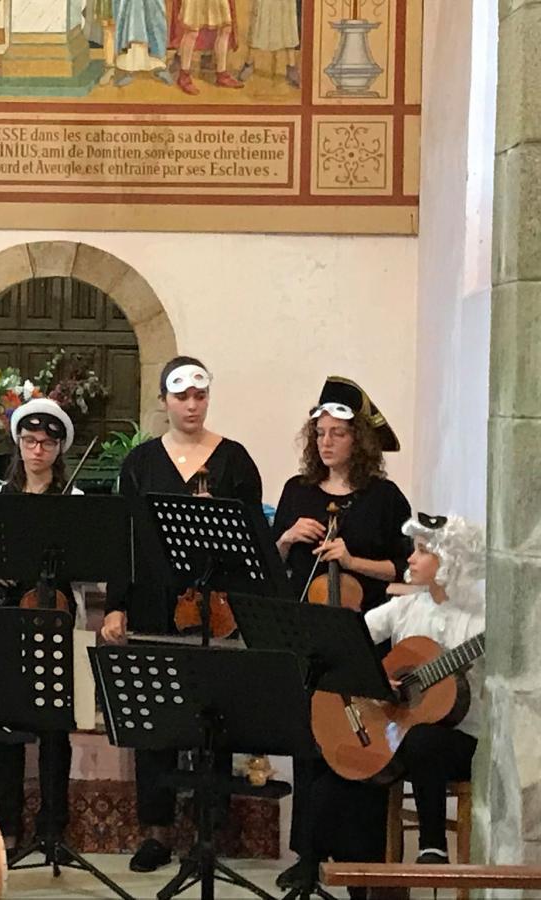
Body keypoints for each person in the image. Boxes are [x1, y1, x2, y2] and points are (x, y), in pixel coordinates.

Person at [100, 356, 262, 872]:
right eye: (182, 397)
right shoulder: (141, 463)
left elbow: (254, 542)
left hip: (216, 609)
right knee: (155, 715)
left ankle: (209, 832)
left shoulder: (234, 460)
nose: (192, 406)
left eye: (200, 396)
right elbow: (122, 541)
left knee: (214, 716)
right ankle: (156, 830)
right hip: (152, 601)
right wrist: (116, 604)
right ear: (165, 402)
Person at [271, 376, 410, 891]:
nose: (326, 442)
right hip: (310, 637)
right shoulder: (297, 492)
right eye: (320, 433)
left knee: (359, 743)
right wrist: (286, 538)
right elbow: (271, 564)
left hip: (367, 635)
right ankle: (308, 855)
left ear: (360, 441)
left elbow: (403, 569)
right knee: (309, 744)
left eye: (338, 433)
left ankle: (359, 858)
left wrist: (352, 560)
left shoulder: (385, 498)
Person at [306, 513, 485, 897]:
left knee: (423, 740)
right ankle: (363, 885)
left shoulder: (479, 620)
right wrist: (372, 679)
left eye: (422, 551)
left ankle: (432, 845)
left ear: (449, 560)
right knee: (346, 773)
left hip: (464, 739)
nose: (410, 559)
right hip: (401, 735)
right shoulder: (407, 607)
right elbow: (348, 642)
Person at [0, 398, 85, 855]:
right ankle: (7, 823)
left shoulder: (74, 501)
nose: (37, 449)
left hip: (56, 618)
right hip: (7, 617)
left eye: (47, 442)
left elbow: (85, 563)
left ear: (59, 447)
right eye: (29, 440)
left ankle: (53, 825)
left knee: (53, 728)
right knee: (7, 727)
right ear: (18, 443)